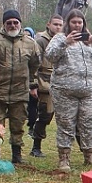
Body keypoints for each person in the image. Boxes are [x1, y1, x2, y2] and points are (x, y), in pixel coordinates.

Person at [46, 9, 92, 172]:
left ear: (84, 24)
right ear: (68, 23)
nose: (77, 25)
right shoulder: (59, 37)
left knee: (91, 123)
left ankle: (89, 156)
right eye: (74, 22)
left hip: (90, 91)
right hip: (65, 90)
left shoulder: (89, 40)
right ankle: (64, 158)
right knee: (66, 123)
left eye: (80, 22)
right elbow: (50, 56)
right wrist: (64, 42)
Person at [0, 9, 41, 164]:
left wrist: (31, 83)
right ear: (4, 24)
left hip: (20, 92)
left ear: (20, 24)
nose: (12, 25)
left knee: (18, 125)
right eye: (8, 22)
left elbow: (35, 65)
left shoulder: (30, 44)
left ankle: (17, 156)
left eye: (15, 22)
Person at [30, 13, 63, 157]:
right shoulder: (41, 41)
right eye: (55, 24)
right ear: (48, 24)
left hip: (61, 83)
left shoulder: (63, 40)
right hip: (45, 83)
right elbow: (34, 64)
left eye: (60, 25)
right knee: (44, 115)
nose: (58, 27)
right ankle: (36, 147)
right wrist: (34, 84)